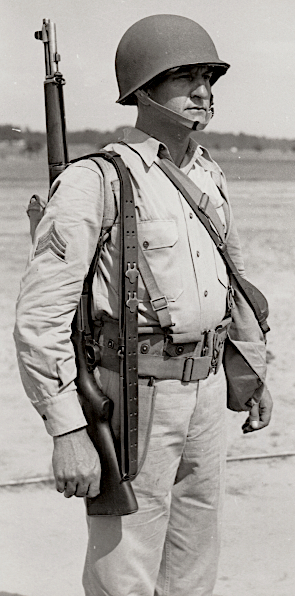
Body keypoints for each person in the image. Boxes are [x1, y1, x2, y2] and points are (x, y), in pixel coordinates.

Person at [14, 14, 272, 596]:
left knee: (192, 573)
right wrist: (67, 431)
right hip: (134, 396)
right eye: (184, 78)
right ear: (143, 91)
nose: (203, 92)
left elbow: (233, 286)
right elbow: (40, 319)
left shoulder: (209, 172)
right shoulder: (98, 180)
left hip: (206, 394)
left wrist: (252, 373)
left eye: (208, 78)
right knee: (123, 575)